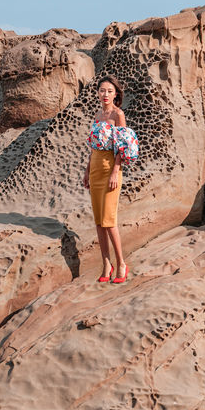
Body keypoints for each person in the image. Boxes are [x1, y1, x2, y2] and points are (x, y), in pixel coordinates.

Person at [83, 75, 139, 284]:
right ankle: (106, 264)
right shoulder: (98, 115)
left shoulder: (118, 115)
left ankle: (121, 263)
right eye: (102, 90)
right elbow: (93, 147)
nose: (105, 94)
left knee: (109, 220)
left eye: (109, 91)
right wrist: (87, 171)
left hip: (110, 168)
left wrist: (116, 171)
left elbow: (121, 147)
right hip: (96, 167)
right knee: (99, 222)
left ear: (115, 94)